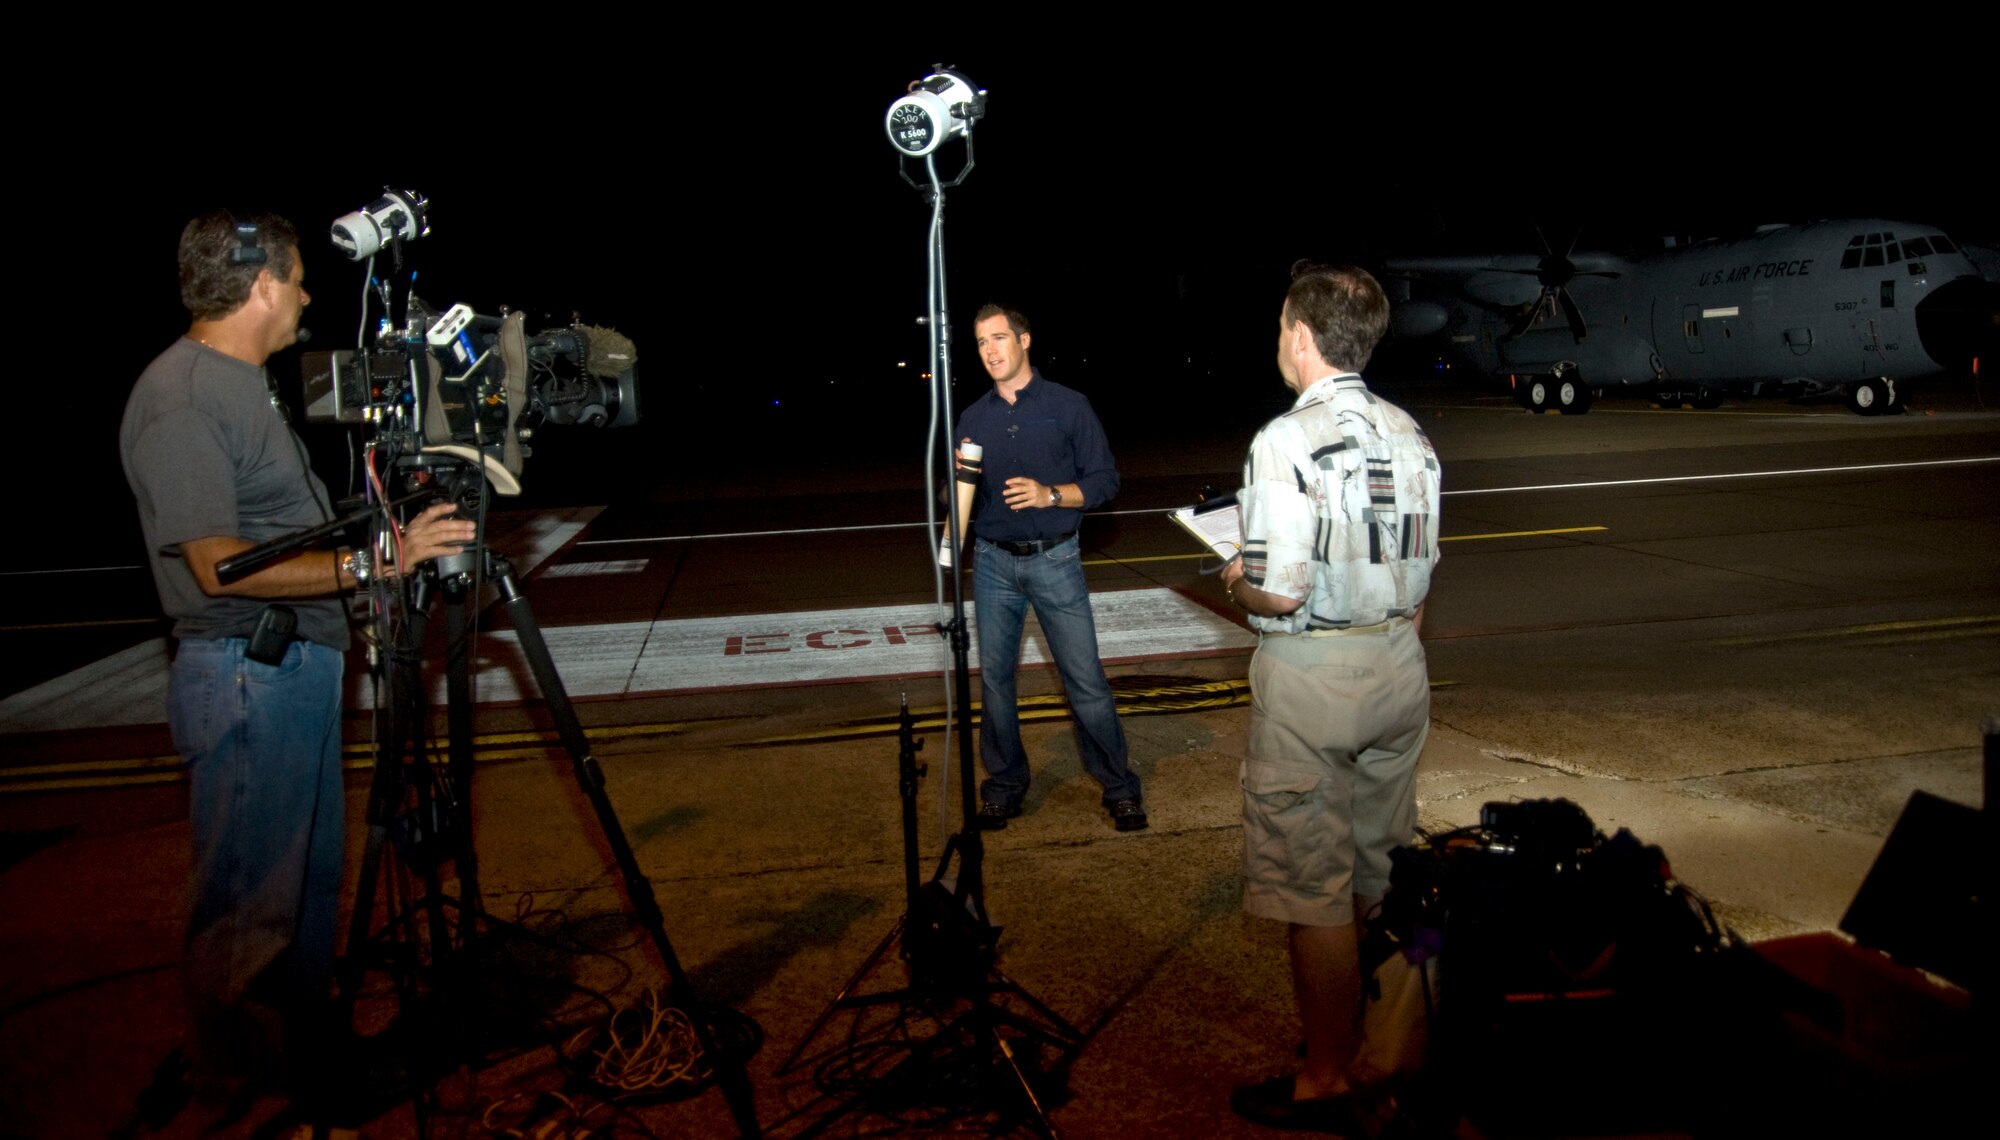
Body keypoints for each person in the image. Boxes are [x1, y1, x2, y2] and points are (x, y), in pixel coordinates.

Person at [119, 210, 474, 1124]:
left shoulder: (240, 386)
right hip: (247, 674)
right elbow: (217, 563)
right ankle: (237, 1098)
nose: (312, 296)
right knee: (249, 908)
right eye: (301, 278)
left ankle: (300, 1072)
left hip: (286, 671)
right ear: (262, 283)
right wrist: (373, 566)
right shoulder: (185, 397)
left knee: (304, 896)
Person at [1217, 263, 1441, 1132]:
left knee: (1312, 889)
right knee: (1385, 874)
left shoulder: (1285, 439)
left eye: (1282, 328)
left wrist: (1239, 574)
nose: (1280, 341)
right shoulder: (1413, 434)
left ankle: (1326, 1077)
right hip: (1398, 666)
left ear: (1302, 336)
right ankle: (1396, 1051)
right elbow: (1419, 581)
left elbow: (1278, 588)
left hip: (1317, 680)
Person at [954, 303, 1146, 832]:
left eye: (999, 338)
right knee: (995, 683)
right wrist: (956, 494)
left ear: (1025, 340)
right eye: (980, 343)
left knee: (1085, 681)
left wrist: (1051, 494)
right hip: (993, 565)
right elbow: (963, 500)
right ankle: (1005, 785)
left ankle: (1119, 787)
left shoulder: (1068, 406)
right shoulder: (973, 418)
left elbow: (1105, 480)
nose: (990, 350)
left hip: (1056, 559)